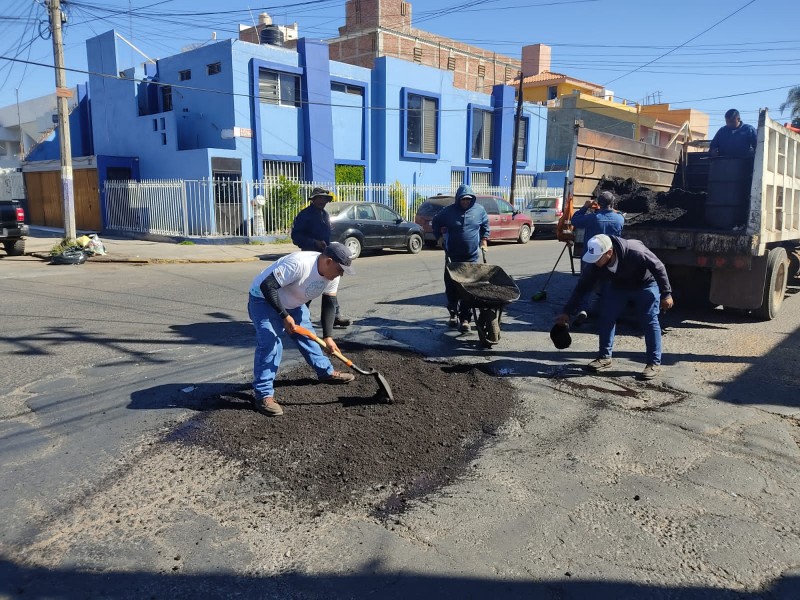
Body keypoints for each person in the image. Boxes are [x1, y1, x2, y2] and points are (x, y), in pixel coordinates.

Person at [247, 242, 356, 417]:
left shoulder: (332, 275)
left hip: (294, 305)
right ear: (328, 261)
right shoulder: (299, 264)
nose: (341, 273)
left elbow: (329, 303)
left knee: (309, 337)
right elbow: (267, 286)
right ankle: (263, 395)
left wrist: (328, 337)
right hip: (263, 300)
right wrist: (284, 316)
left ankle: (326, 372)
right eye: (340, 268)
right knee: (271, 343)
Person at [555, 234, 674, 380]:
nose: (594, 262)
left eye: (598, 258)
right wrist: (567, 312)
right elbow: (582, 287)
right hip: (618, 286)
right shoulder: (595, 264)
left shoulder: (635, 252)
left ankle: (653, 363)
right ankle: (604, 357)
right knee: (606, 316)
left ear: (609, 252)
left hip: (645, 284)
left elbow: (659, 267)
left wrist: (666, 294)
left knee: (649, 320)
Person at [432, 184, 490, 333]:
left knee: (468, 289)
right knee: (452, 287)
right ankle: (453, 313)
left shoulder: (479, 211)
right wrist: (439, 237)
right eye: (463, 199)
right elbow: (436, 221)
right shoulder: (449, 211)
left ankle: (465, 319)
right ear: (458, 199)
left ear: (472, 199)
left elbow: (485, 225)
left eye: (468, 199)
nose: (466, 202)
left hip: (471, 258)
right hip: (453, 257)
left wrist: (484, 239)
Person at [290, 187, 351, 328]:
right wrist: (314, 242)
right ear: (314, 199)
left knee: (330, 283)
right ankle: (297, 315)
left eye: (325, 199)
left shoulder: (324, 215)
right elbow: (296, 236)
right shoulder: (304, 215)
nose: (323, 201)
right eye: (320, 198)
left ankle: (334, 315)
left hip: (325, 255)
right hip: (310, 256)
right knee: (310, 286)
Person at [570, 190, 625, 324]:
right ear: (613, 203)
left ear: (598, 204)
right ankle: (607, 311)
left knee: (586, 283)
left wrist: (585, 207)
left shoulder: (592, 218)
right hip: (609, 257)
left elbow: (575, 221)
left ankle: (582, 309)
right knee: (608, 283)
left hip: (592, 257)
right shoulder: (619, 219)